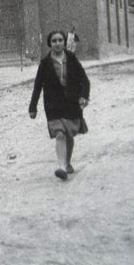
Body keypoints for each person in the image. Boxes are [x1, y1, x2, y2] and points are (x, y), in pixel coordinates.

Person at [28, 30, 90, 181]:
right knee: (60, 134)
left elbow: (84, 80)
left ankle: (67, 163)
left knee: (69, 134)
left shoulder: (71, 58)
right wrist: (32, 107)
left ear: (64, 42)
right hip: (53, 105)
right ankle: (62, 167)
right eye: (54, 41)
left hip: (71, 103)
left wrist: (84, 96)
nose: (57, 43)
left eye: (60, 40)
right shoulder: (45, 63)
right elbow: (37, 86)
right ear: (50, 43)